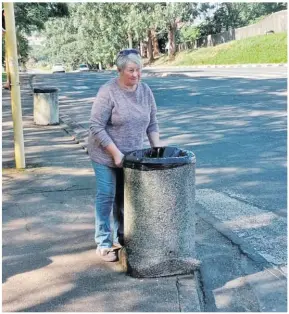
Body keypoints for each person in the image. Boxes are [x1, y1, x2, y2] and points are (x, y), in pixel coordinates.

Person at [88, 49, 161, 262]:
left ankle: (122, 236)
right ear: (119, 70)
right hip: (104, 154)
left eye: (139, 70)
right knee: (107, 194)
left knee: (124, 197)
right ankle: (103, 241)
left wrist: (157, 149)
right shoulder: (108, 91)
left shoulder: (145, 91)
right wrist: (116, 153)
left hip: (131, 156)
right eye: (131, 70)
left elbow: (152, 122)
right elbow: (96, 126)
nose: (136, 75)